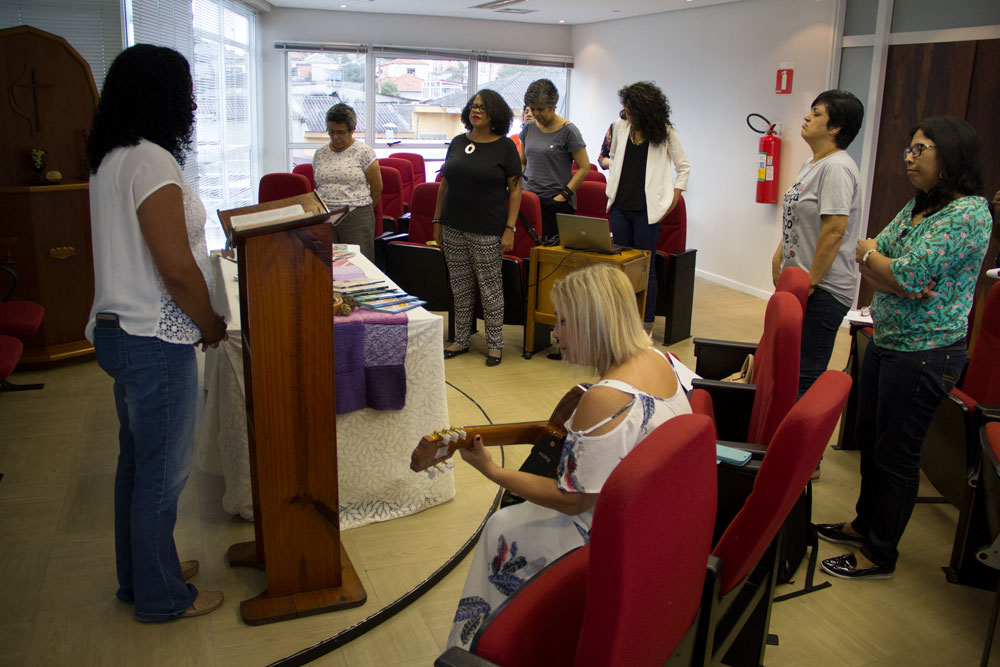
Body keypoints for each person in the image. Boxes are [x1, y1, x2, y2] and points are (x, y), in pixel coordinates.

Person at [446, 263, 692, 649]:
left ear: (592, 324)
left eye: (563, 322)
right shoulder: (664, 360)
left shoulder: (607, 397)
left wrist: (492, 470)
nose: (554, 333)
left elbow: (573, 501)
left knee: (501, 527)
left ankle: (490, 647)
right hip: (659, 518)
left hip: (614, 537)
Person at [84, 44, 228, 620]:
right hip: (156, 336)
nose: (192, 102)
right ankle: (164, 598)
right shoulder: (150, 160)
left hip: (120, 331)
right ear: (160, 95)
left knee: (137, 466)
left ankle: (140, 577)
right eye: (185, 90)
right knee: (163, 480)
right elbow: (174, 267)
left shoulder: (110, 156)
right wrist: (210, 322)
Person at [818, 116, 991, 580]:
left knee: (897, 455)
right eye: (909, 149)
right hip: (886, 339)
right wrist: (886, 269)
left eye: (921, 149)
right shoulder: (922, 205)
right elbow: (871, 253)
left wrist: (888, 270)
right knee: (873, 444)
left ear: (950, 155)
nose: (909, 158)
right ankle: (861, 524)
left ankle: (880, 554)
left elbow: (903, 272)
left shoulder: (968, 213)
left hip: (926, 353)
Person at [771, 90, 864, 397]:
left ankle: (798, 443)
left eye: (817, 113)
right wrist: (780, 257)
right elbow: (797, 219)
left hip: (823, 289)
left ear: (835, 127)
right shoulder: (812, 164)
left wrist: (810, 283)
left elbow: (835, 230)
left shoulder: (837, 167)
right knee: (785, 366)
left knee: (804, 373)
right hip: (802, 283)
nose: (807, 117)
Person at [434, 89, 522, 367]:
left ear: (495, 113)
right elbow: (444, 184)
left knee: (490, 287)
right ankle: (461, 339)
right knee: (460, 286)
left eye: (483, 107)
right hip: (453, 225)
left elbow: (516, 191)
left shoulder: (505, 147)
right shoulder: (459, 141)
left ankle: (495, 345)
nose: (476, 110)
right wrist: (437, 221)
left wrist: (510, 228)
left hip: (487, 228)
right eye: (474, 106)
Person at [605, 81, 691, 334]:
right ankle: (623, 321)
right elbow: (613, 159)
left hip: (646, 212)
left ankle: (645, 324)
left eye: (630, 108)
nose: (626, 112)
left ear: (644, 109)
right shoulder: (621, 128)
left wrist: (673, 198)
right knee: (623, 267)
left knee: (645, 268)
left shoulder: (665, 133)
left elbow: (684, 167)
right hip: (620, 207)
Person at [520, 79, 590, 239]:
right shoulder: (529, 128)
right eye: (532, 109)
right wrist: (519, 187)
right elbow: (523, 161)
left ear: (554, 106)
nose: (535, 114)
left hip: (555, 202)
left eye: (540, 109)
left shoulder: (569, 131)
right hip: (530, 199)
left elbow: (584, 167)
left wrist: (563, 195)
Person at [312, 103, 382, 261]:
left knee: (359, 263)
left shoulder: (364, 152)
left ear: (352, 130)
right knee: (330, 263)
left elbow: (377, 188)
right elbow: (319, 185)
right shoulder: (320, 154)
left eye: (341, 132)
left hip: (356, 215)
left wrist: (358, 206)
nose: (335, 137)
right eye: (331, 132)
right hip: (326, 216)